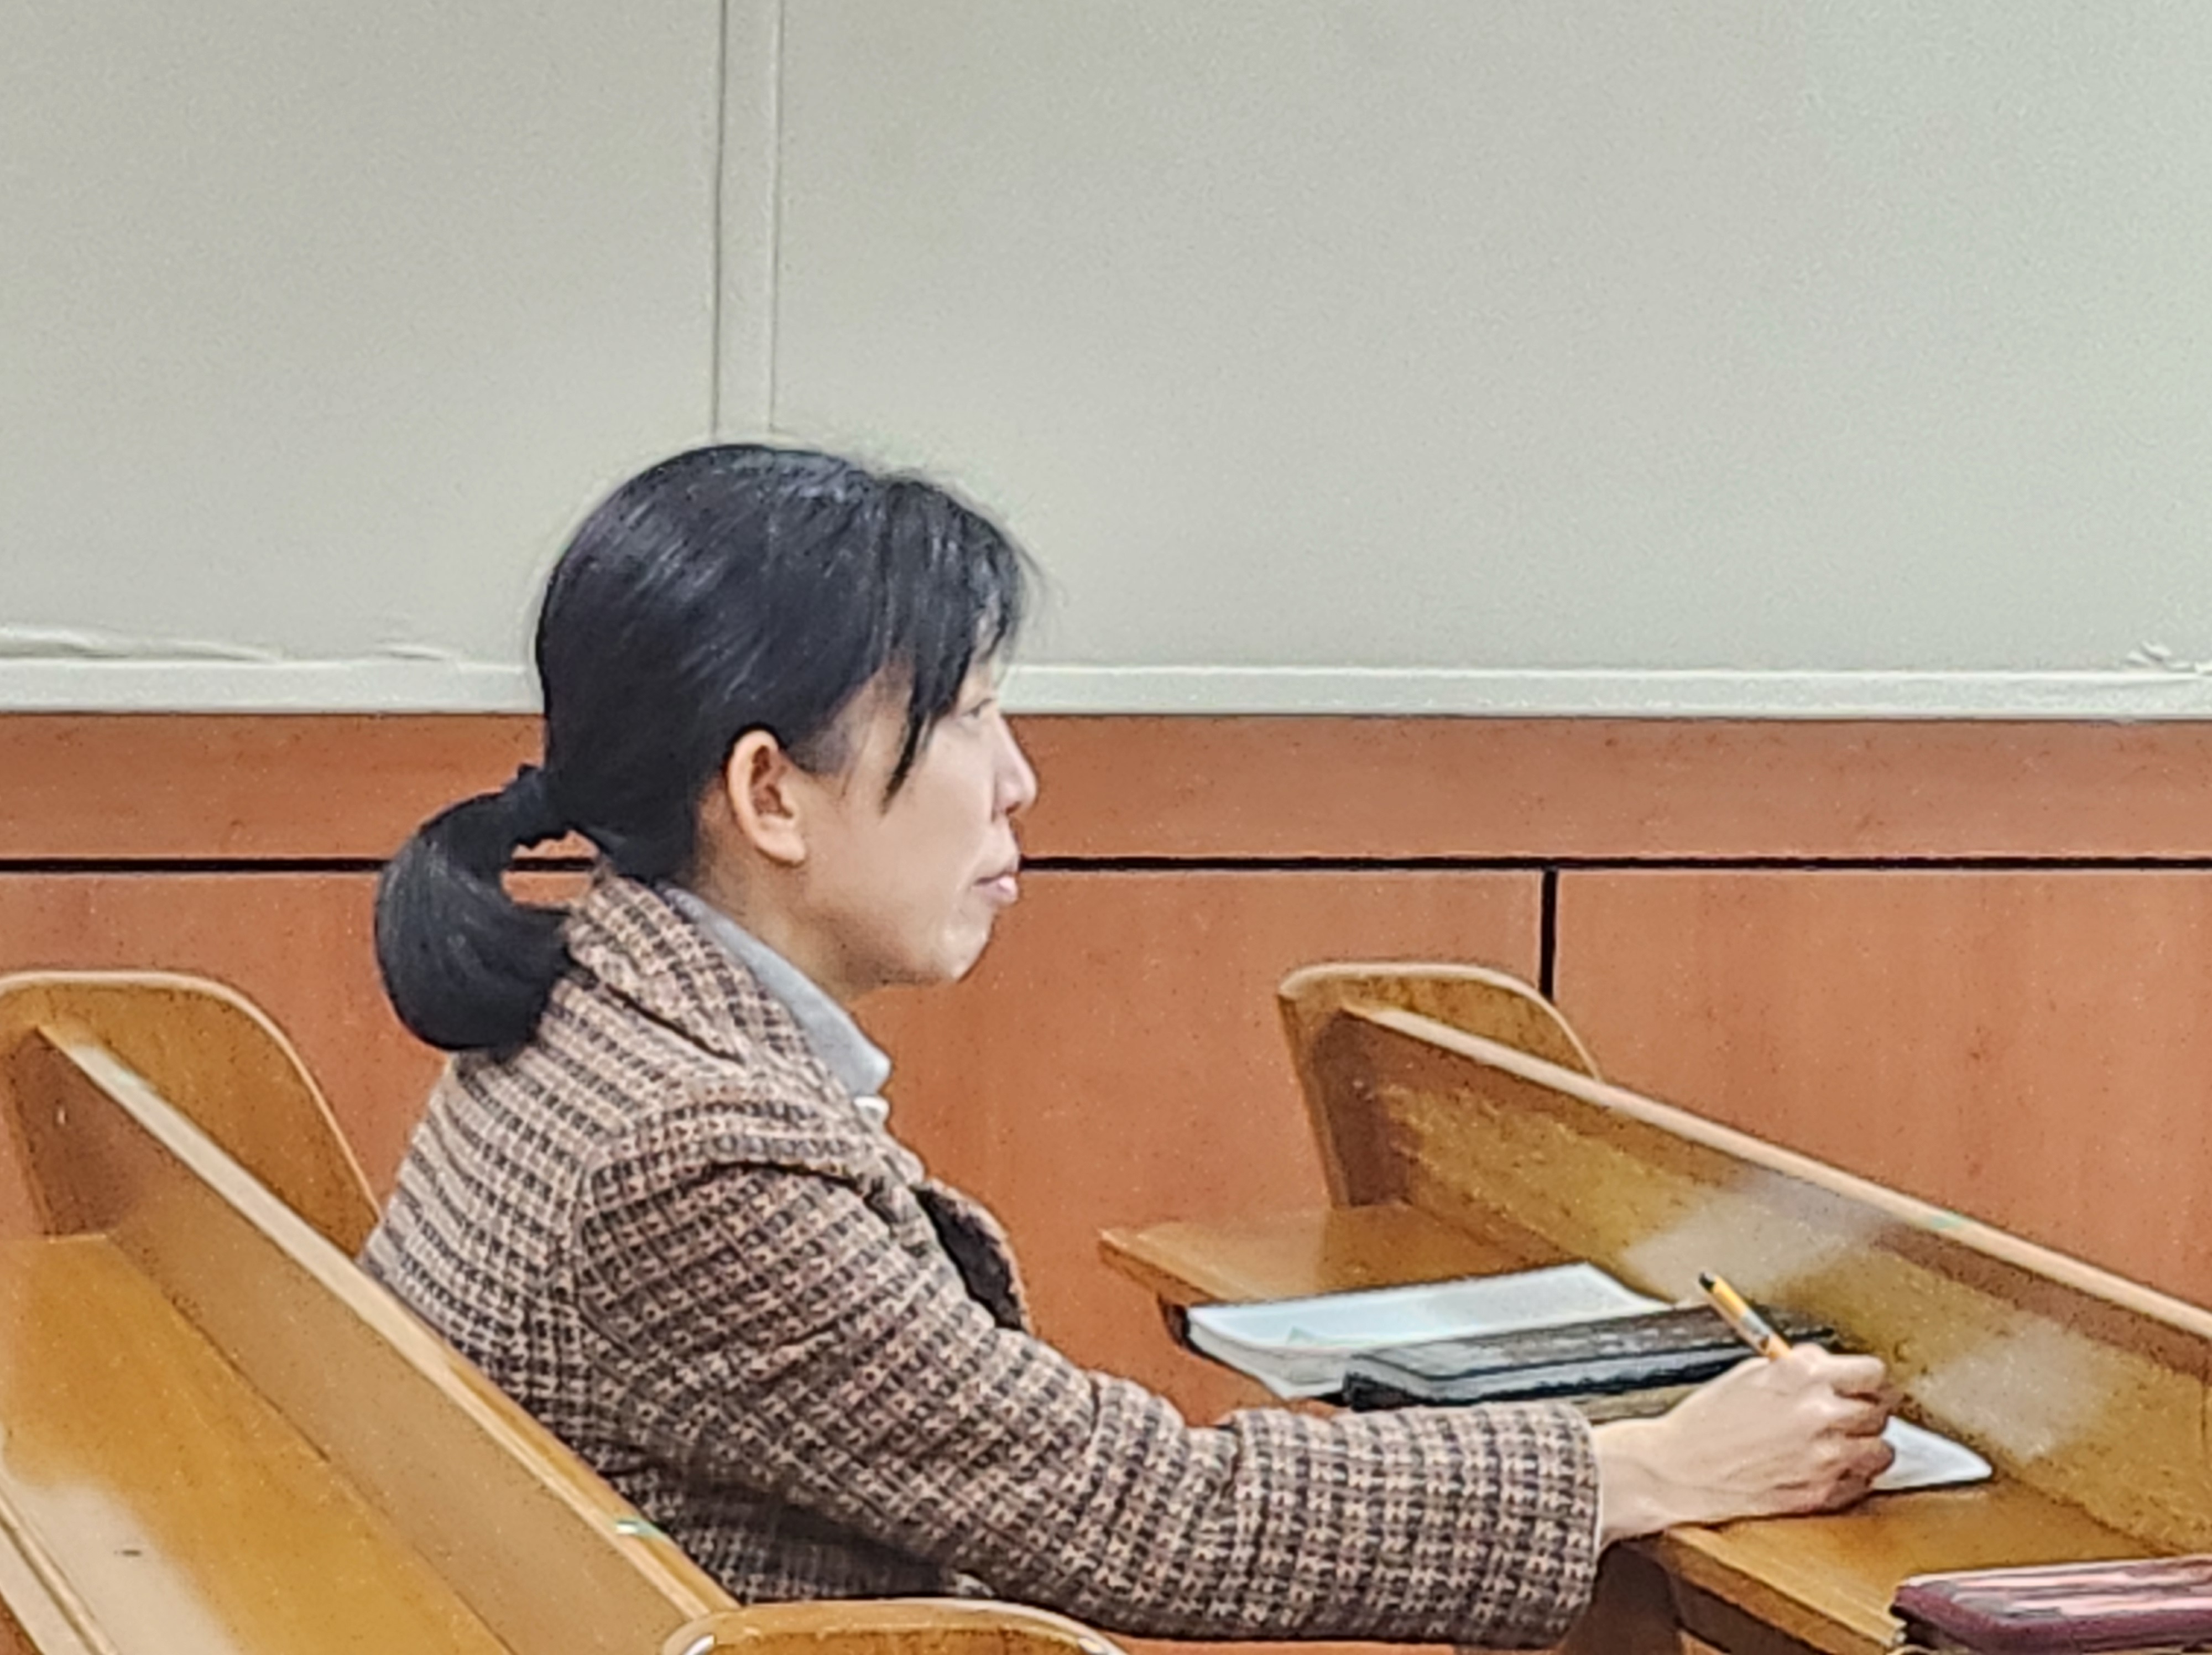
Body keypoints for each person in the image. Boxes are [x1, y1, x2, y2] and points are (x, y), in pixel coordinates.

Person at [364, 444, 1894, 1647]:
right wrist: (1647, 1468)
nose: (1018, 778)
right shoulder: (692, 1154)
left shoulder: (590, 1009)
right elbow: (1135, 1511)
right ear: (772, 794)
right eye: (968, 717)